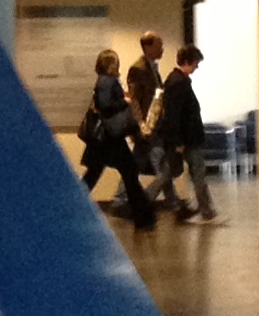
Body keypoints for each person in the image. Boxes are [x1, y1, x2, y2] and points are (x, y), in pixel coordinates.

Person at [76, 50, 156, 226]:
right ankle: (143, 216)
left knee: (95, 175)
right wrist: (124, 102)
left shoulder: (103, 81)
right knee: (129, 173)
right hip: (110, 140)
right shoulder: (108, 81)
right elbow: (105, 105)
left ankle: (71, 207)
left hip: (104, 140)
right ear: (111, 64)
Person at [153, 45, 219, 223]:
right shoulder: (179, 83)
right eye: (196, 62)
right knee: (196, 173)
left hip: (183, 139)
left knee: (168, 173)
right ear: (188, 61)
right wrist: (178, 142)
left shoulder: (174, 80)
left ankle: (143, 203)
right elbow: (175, 115)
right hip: (187, 140)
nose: (197, 66)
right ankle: (206, 211)